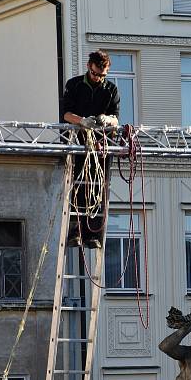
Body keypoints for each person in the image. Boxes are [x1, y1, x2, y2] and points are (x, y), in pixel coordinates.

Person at [62, 50, 120, 248]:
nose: (98, 78)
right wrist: (83, 121)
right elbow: (66, 114)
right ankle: (74, 232)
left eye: (103, 75)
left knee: (98, 187)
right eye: (96, 74)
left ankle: (93, 235)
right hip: (78, 145)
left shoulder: (111, 89)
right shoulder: (75, 85)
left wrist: (107, 119)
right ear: (89, 67)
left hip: (101, 146)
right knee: (77, 186)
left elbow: (116, 117)